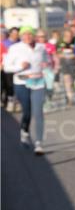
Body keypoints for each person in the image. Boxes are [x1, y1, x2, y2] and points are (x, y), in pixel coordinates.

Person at [3, 25, 51, 154]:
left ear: (34, 35)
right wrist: (20, 66)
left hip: (38, 82)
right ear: (21, 36)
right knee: (27, 112)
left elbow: (48, 60)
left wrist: (47, 64)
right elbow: (7, 67)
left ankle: (39, 144)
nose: (27, 36)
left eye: (30, 34)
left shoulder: (41, 48)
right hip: (21, 82)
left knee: (38, 112)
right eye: (24, 34)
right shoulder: (14, 48)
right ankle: (24, 130)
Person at [55, 29, 75, 105]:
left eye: (70, 36)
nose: (69, 38)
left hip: (74, 65)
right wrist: (67, 55)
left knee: (73, 83)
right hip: (65, 64)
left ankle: (69, 93)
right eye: (67, 36)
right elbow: (58, 54)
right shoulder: (59, 43)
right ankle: (70, 99)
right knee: (67, 81)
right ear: (64, 36)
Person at [1, 27, 19, 111]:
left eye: (17, 33)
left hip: (19, 68)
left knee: (18, 85)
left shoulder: (20, 42)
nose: (15, 35)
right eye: (14, 33)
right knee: (9, 86)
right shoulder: (4, 43)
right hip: (8, 68)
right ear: (10, 34)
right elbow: (3, 56)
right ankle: (10, 102)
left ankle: (17, 103)